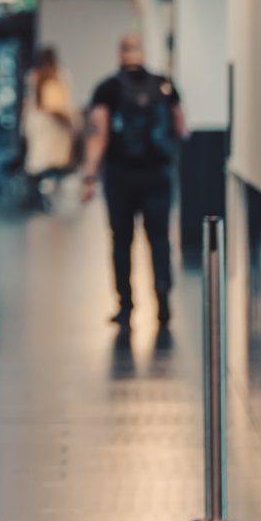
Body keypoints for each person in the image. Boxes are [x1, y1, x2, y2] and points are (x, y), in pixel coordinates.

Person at [82, 34, 186, 328]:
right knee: (159, 238)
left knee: (121, 240)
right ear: (142, 53)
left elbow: (98, 136)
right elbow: (181, 128)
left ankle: (126, 306)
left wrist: (89, 176)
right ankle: (163, 300)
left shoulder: (107, 88)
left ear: (120, 54)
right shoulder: (165, 86)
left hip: (120, 176)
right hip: (158, 175)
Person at [21, 47, 77, 210]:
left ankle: (40, 197)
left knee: (39, 163)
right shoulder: (59, 75)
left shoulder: (33, 76)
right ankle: (48, 196)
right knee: (52, 163)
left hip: (40, 123)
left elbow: (28, 104)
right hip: (53, 124)